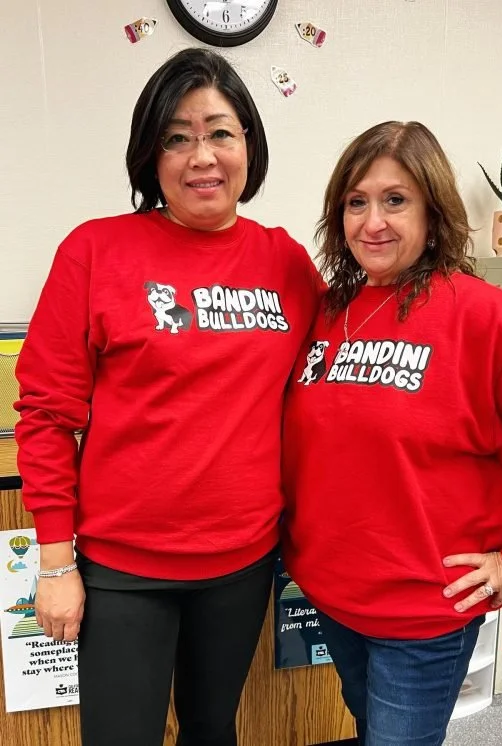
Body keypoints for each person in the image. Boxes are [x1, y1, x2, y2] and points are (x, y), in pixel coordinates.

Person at [15, 48, 321, 746]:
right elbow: (45, 414)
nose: (201, 155)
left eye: (220, 131)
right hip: (124, 569)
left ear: (249, 142)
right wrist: (56, 563)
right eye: (176, 137)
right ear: (149, 156)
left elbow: (331, 382)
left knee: (212, 730)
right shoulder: (95, 251)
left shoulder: (283, 261)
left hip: (242, 561)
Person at [281, 121, 502, 746]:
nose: (373, 222)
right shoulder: (329, 312)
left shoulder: (480, 315)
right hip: (334, 595)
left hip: (424, 615)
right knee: (370, 728)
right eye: (356, 201)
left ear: (433, 212)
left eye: (395, 200)